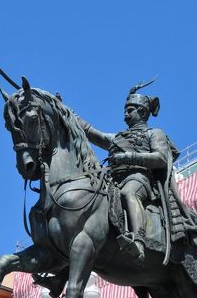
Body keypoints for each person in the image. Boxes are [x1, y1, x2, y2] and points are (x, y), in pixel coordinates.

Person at [80, 81, 191, 262]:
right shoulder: (118, 138)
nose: (125, 113)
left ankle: (138, 240)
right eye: (126, 109)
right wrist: (66, 112)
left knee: (129, 193)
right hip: (114, 179)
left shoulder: (155, 133)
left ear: (142, 112)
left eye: (130, 109)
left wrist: (127, 157)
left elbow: (161, 158)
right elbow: (91, 132)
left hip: (140, 178)